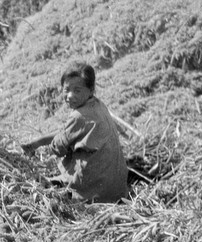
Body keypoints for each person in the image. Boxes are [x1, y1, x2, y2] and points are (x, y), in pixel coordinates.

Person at [21, 61, 129, 203]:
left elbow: (58, 148)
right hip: (118, 190)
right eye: (66, 90)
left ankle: (75, 192)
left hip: (97, 194)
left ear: (91, 90)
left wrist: (42, 148)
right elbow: (68, 132)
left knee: (43, 184)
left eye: (77, 90)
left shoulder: (79, 116)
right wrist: (38, 142)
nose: (70, 95)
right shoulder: (98, 105)